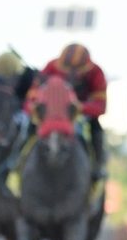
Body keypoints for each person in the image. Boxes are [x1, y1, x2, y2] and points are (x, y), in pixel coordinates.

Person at [30, 43, 108, 181]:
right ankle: (17, 162)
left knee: (96, 129)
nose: (72, 74)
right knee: (29, 127)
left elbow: (101, 106)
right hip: (50, 115)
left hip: (80, 115)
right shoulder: (51, 67)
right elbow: (32, 97)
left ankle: (98, 166)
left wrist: (80, 107)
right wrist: (37, 108)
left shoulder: (96, 72)